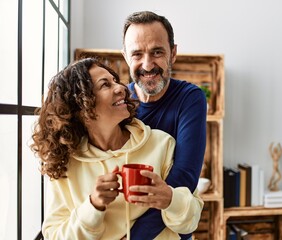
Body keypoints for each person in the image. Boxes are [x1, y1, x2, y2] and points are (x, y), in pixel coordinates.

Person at [30, 58, 204, 239]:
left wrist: (170, 200)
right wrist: (93, 206)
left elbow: (190, 222)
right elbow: (53, 235)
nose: (121, 88)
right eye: (105, 85)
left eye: (115, 81)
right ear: (81, 105)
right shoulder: (66, 165)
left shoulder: (160, 143)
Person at [121, 11, 208, 239]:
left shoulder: (190, 98)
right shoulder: (117, 102)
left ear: (173, 53)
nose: (147, 65)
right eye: (137, 54)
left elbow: (183, 179)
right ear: (125, 57)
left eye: (157, 52)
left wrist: (133, 237)